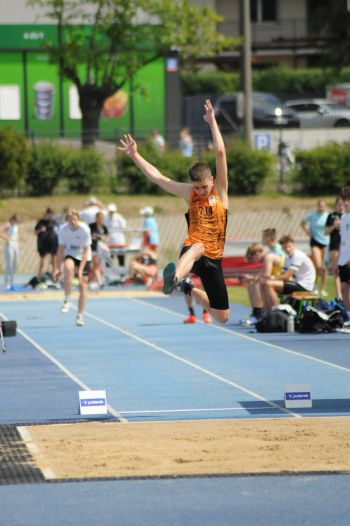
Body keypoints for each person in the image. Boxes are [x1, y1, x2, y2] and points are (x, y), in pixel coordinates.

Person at [119, 99, 229, 324]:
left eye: (203, 187)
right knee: (198, 247)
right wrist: (135, 156)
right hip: (193, 251)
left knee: (222, 316)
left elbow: (219, 151)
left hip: (214, 260)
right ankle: (175, 277)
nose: (199, 191)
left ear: (212, 180)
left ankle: (187, 288)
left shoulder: (220, 192)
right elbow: (158, 178)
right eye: (196, 187)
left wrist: (212, 122)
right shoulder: (189, 193)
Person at [53, 209, 92, 327]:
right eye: (70, 219)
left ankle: (80, 315)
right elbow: (60, 250)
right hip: (70, 254)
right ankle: (67, 299)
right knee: (68, 267)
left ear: (78, 218)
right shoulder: (63, 230)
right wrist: (57, 268)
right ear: (67, 220)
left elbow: (86, 252)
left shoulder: (85, 230)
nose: (73, 221)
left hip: (84, 257)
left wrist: (80, 271)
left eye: (75, 218)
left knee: (83, 285)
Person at [261, 235, 316, 312]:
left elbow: (286, 276)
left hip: (305, 286)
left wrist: (273, 278)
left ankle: (276, 313)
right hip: (297, 284)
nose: (287, 249)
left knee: (269, 284)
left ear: (294, 245)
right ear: (282, 248)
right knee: (265, 284)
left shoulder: (297, 255)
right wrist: (272, 278)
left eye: (289, 246)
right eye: (285, 247)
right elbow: (282, 274)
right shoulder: (287, 258)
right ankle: (268, 313)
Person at [240, 243, 285, 323]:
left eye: (252, 258)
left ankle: (259, 314)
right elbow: (261, 275)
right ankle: (256, 312)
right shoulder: (266, 259)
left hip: (284, 280)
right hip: (277, 280)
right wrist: (250, 278)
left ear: (257, 254)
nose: (253, 261)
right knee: (252, 283)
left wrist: (254, 278)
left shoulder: (268, 257)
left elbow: (266, 275)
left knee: (257, 283)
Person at [300, 199, 329, 296]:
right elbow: (302, 223)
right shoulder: (312, 215)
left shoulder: (328, 216)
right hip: (315, 242)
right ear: (317, 206)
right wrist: (308, 233)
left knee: (324, 268)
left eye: (323, 206)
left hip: (326, 242)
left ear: (325, 206)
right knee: (318, 265)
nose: (321, 207)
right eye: (320, 206)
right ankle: (314, 285)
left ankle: (323, 289)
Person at [325, 196, 344, 301]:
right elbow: (326, 232)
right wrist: (334, 226)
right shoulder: (331, 216)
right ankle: (338, 295)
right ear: (336, 205)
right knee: (337, 270)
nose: (341, 207)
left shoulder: (347, 216)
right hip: (335, 246)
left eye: (343, 204)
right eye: (339, 204)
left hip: (346, 247)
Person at [336, 187, 350, 322]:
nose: (346, 203)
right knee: (345, 289)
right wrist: (338, 261)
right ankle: (349, 319)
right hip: (343, 260)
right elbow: (343, 240)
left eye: (348, 200)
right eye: (344, 200)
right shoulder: (344, 217)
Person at [34, 208, 59, 278]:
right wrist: (40, 230)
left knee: (54, 260)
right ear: (46, 214)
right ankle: (39, 274)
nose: (50, 216)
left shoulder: (53, 222)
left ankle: (54, 275)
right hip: (42, 243)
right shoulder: (40, 222)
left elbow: (57, 230)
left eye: (52, 214)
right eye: (49, 214)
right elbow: (35, 232)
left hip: (52, 242)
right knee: (42, 261)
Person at [89, 212, 109, 289]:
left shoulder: (104, 227)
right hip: (92, 248)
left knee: (96, 266)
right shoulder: (91, 226)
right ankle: (96, 281)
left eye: (102, 219)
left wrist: (101, 238)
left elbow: (106, 237)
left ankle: (98, 281)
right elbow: (89, 236)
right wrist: (96, 237)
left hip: (100, 249)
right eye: (99, 218)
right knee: (92, 265)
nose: (101, 220)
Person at [0, 214, 20, 291]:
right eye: (16, 220)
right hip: (9, 245)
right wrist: (7, 238)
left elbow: (16, 234)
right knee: (9, 264)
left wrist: (17, 239)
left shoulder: (16, 226)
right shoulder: (8, 224)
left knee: (15, 263)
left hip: (16, 245)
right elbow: (0, 232)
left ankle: (12, 283)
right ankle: (7, 283)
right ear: (12, 219)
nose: (17, 222)